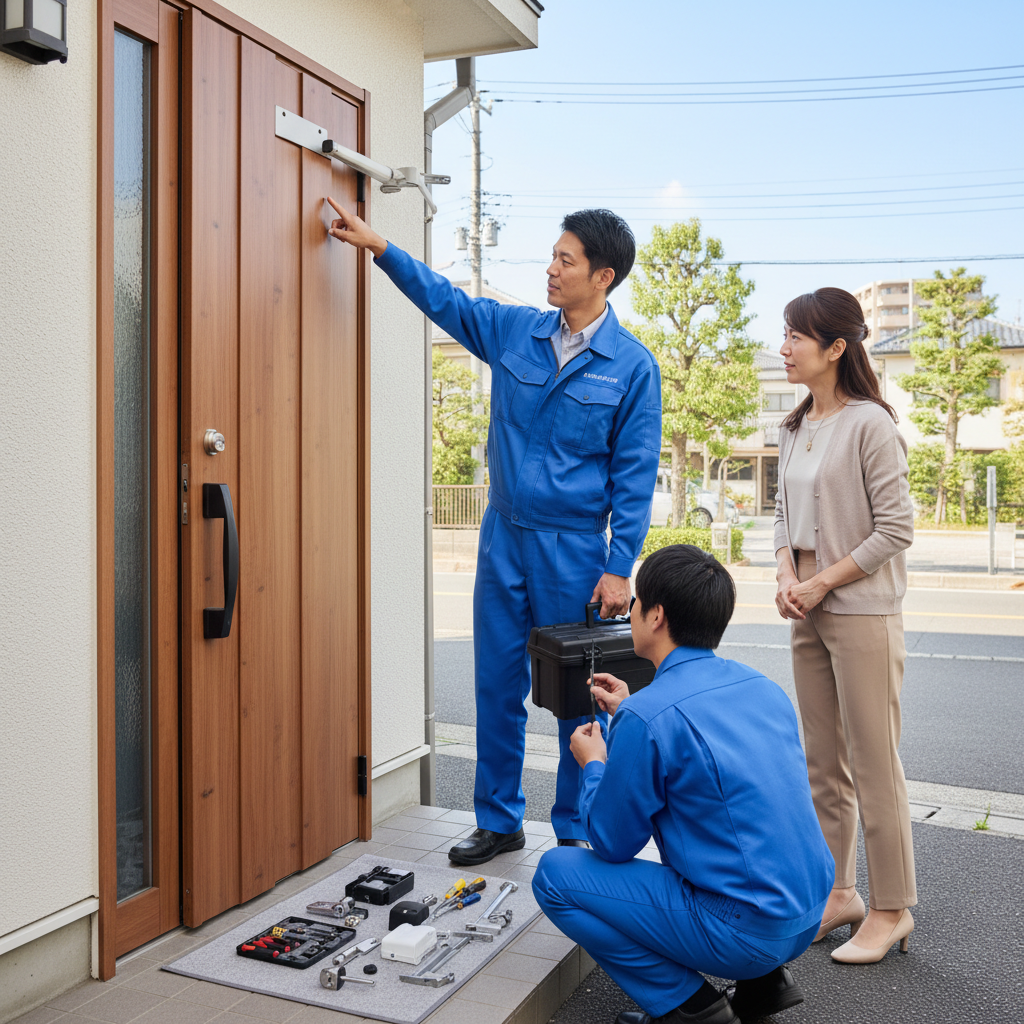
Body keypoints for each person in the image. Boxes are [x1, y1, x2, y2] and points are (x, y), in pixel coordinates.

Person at [327, 200, 662, 864]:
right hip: (503, 535)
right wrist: (380, 246)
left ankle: (577, 826)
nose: (551, 269)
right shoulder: (516, 333)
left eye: (566, 260)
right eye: (553, 255)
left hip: (574, 549)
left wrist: (620, 565)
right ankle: (499, 818)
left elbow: (635, 473)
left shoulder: (632, 367)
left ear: (604, 275)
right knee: (497, 684)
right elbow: (446, 302)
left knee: (579, 694)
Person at [532, 544, 834, 1024]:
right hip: (809, 909)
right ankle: (763, 985)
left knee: (555, 874)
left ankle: (693, 1009)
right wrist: (634, 711)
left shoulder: (649, 717)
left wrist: (595, 764)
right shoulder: (761, 686)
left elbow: (611, 844)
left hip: (745, 931)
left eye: (636, 603)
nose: (629, 611)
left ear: (656, 616)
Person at [774, 287, 917, 964]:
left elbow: (897, 528)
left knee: (873, 762)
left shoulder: (870, 424)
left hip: (860, 609)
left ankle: (892, 909)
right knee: (821, 764)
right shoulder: (795, 427)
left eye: (797, 337)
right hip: (806, 605)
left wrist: (822, 580)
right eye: (785, 335)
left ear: (836, 348)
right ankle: (839, 893)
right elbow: (781, 519)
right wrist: (784, 578)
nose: (785, 347)